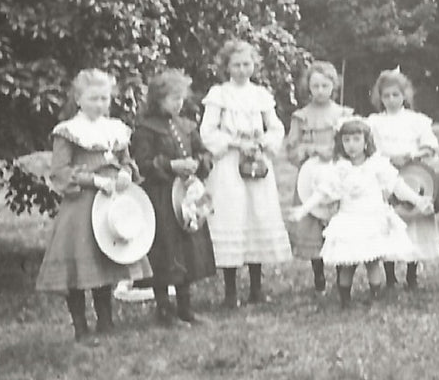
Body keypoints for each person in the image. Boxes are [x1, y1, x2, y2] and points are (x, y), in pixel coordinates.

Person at [34, 68, 148, 341]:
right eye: (94, 98)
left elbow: (126, 160)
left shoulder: (115, 129)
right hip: (82, 204)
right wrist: (94, 180)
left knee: (105, 259)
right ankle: (81, 327)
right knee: (80, 264)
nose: (100, 104)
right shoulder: (69, 131)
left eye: (105, 98)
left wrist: (125, 173)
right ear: (78, 99)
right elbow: (60, 172)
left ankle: (106, 321)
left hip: (112, 204)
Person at [289, 118, 433, 309]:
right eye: (346, 140)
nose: (351, 145)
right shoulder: (339, 169)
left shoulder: (377, 165)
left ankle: (375, 298)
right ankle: (345, 301)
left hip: (373, 219)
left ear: (366, 142)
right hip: (349, 220)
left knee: (373, 262)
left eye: (356, 139)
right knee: (347, 264)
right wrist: (303, 209)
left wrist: (418, 200)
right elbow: (323, 191)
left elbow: (397, 185)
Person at [198, 39, 291, 309]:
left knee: (257, 216)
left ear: (255, 65)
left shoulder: (260, 95)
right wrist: (237, 144)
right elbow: (208, 131)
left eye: (247, 64)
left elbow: (275, 127)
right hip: (229, 164)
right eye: (236, 65)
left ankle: (256, 288)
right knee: (232, 217)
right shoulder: (219, 95)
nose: (242, 69)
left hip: (257, 163)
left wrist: (262, 144)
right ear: (226, 67)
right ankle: (229, 291)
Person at [130, 68, 216, 325]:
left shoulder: (187, 125)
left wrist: (198, 163)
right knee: (165, 252)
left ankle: (185, 307)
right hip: (161, 197)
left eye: (181, 98)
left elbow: (205, 153)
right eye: (172, 98)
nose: (178, 103)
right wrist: (170, 166)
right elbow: (143, 163)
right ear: (157, 99)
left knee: (188, 251)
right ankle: (164, 309)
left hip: (186, 197)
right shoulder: (146, 129)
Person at [366, 68, 439, 288]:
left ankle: (412, 274)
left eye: (396, 95)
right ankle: (390, 274)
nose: (391, 100)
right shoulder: (374, 122)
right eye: (386, 96)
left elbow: (430, 146)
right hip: (385, 175)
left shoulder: (416, 120)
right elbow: (368, 149)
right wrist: (388, 159)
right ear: (379, 98)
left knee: (414, 221)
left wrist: (411, 155)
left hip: (414, 174)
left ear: (405, 95)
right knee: (389, 221)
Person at [283, 60, 352, 294]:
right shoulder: (301, 117)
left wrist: (337, 152)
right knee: (313, 222)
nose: (320, 90)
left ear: (334, 86)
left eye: (325, 85)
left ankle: (342, 274)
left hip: (337, 172)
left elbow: (355, 144)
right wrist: (310, 150)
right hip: (311, 176)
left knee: (340, 220)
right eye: (315, 86)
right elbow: (291, 149)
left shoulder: (343, 114)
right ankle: (319, 274)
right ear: (308, 88)